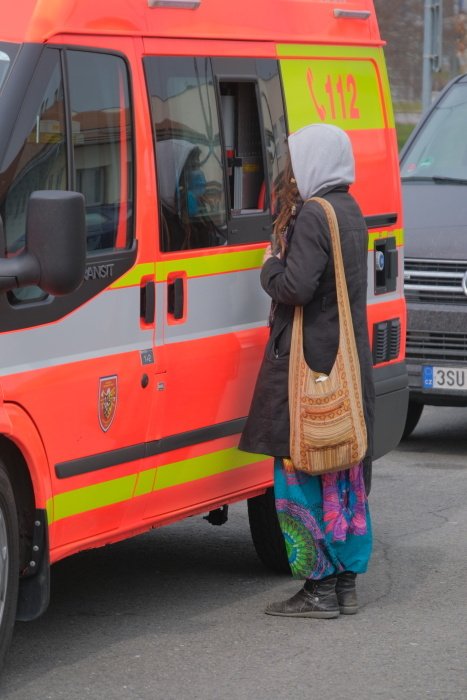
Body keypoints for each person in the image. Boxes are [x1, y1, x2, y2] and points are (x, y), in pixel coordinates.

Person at [239, 123, 375, 618]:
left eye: (297, 160)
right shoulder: (350, 210)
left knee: (302, 470)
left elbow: (295, 287)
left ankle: (317, 588)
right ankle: (344, 586)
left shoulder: (315, 215)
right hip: (347, 363)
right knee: (344, 475)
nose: (291, 171)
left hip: (312, 368)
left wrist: (269, 266)